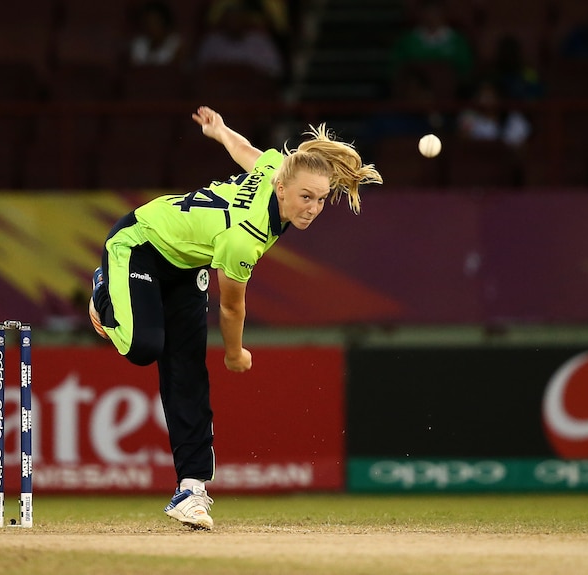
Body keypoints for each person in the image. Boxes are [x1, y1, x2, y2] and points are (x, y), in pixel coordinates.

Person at [87, 106, 382, 529]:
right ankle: (103, 289)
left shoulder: (276, 169)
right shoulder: (246, 236)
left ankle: (191, 489)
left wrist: (220, 130)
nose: (313, 208)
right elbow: (231, 306)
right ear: (282, 188)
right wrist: (234, 353)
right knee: (142, 347)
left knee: (186, 373)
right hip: (142, 242)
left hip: (188, 264)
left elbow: (244, 150)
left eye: (320, 199)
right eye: (306, 197)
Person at [128, 1, 186, 67]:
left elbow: (177, 70)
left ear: (164, 22)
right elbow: (133, 70)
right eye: (147, 22)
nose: (151, 26)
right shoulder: (139, 43)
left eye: (155, 22)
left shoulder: (176, 43)